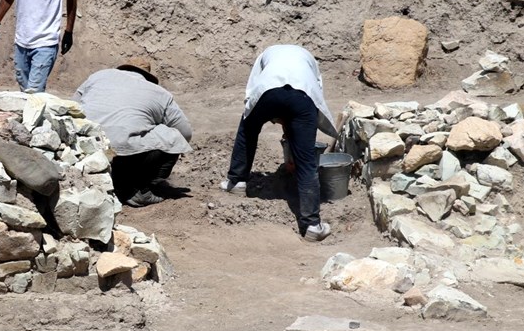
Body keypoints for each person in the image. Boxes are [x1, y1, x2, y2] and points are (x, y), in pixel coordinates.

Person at [220, 45, 340, 242]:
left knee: (248, 129)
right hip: (302, 96)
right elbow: (315, 93)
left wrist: (274, 116)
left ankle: (236, 182)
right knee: (307, 162)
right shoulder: (309, 60)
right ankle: (312, 225)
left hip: (268, 91)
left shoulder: (266, 55)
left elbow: (253, 89)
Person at [74, 57, 193, 208]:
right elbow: (185, 132)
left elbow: (73, 106)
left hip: (83, 146)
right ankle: (139, 191)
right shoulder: (159, 93)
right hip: (122, 154)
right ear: (148, 76)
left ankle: (109, 178)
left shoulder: (98, 76)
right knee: (174, 138)